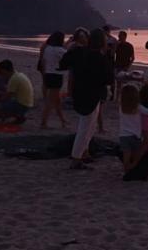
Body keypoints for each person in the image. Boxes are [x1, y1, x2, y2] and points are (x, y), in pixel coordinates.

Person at [59, 28, 113, 170]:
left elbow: (63, 63)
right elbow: (108, 78)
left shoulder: (80, 52)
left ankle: (83, 153)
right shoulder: (99, 57)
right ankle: (76, 158)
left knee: (89, 125)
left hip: (80, 93)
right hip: (91, 95)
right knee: (86, 126)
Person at [37, 31, 68, 129]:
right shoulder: (60, 50)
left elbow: (44, 61)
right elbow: (67, 59)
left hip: (48, 74)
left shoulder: (48, 49)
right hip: (56, 76)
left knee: (57, 100)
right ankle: (43, 122)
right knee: (50, 101)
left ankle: (63, 120)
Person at [118, 84, 141, 172]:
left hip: (123, 135)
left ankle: (126, 170)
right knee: (136, 156)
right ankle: (133, 170)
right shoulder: (139, 108)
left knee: (126, 156)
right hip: (136, 135)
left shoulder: (121, 107)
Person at [114, 30, 135, 96]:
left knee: (124, 83)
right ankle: (117, 98)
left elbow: (133, 57)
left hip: (125, 66)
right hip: (117, 66)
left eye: (120, 36)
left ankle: (122, 97)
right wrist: (115, 45)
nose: (119, 37)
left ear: (125, 37)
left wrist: (128, 66)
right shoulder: (117, 45)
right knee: (118, 83)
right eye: (119, 36)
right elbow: (112, 54)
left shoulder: (129, 46)